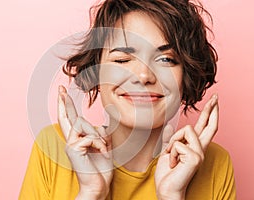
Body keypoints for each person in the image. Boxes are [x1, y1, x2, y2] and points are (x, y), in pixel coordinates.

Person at [19, 0, 236, 199]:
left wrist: (171, 195)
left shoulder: (213, 163)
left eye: (166, 59)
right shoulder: (55, 145)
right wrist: (91, 193)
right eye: (122, 59)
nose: (143, 75)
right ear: (96, 71)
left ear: (186, 75)